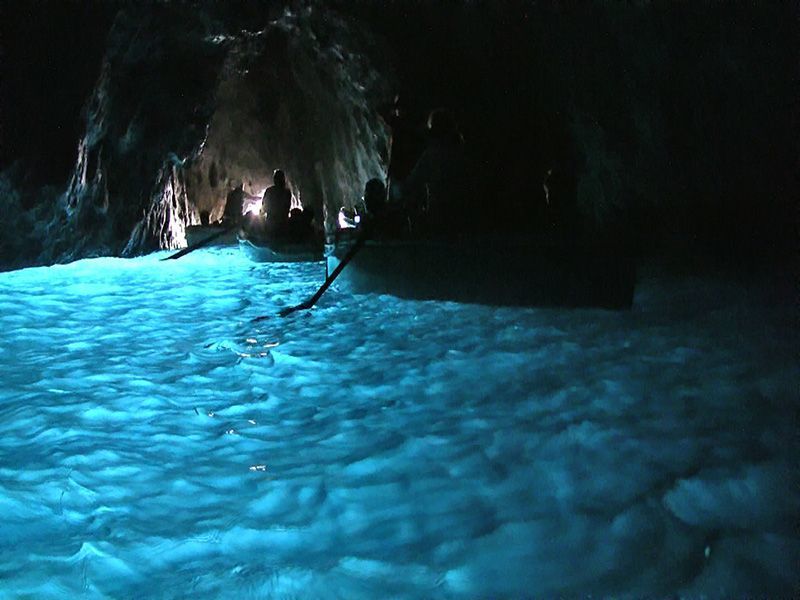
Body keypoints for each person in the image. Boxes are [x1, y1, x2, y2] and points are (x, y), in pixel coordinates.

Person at [401, 108, 467, 233]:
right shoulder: (462, 153)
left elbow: (411, 184)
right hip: (464, 217)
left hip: (439, 217)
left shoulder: (432, 155)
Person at [261, 169, 292, 233]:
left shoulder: (269, 191)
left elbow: (264, 207)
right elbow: (287, 208)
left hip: (271, 224)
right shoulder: (287, 192)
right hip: (283, 223)